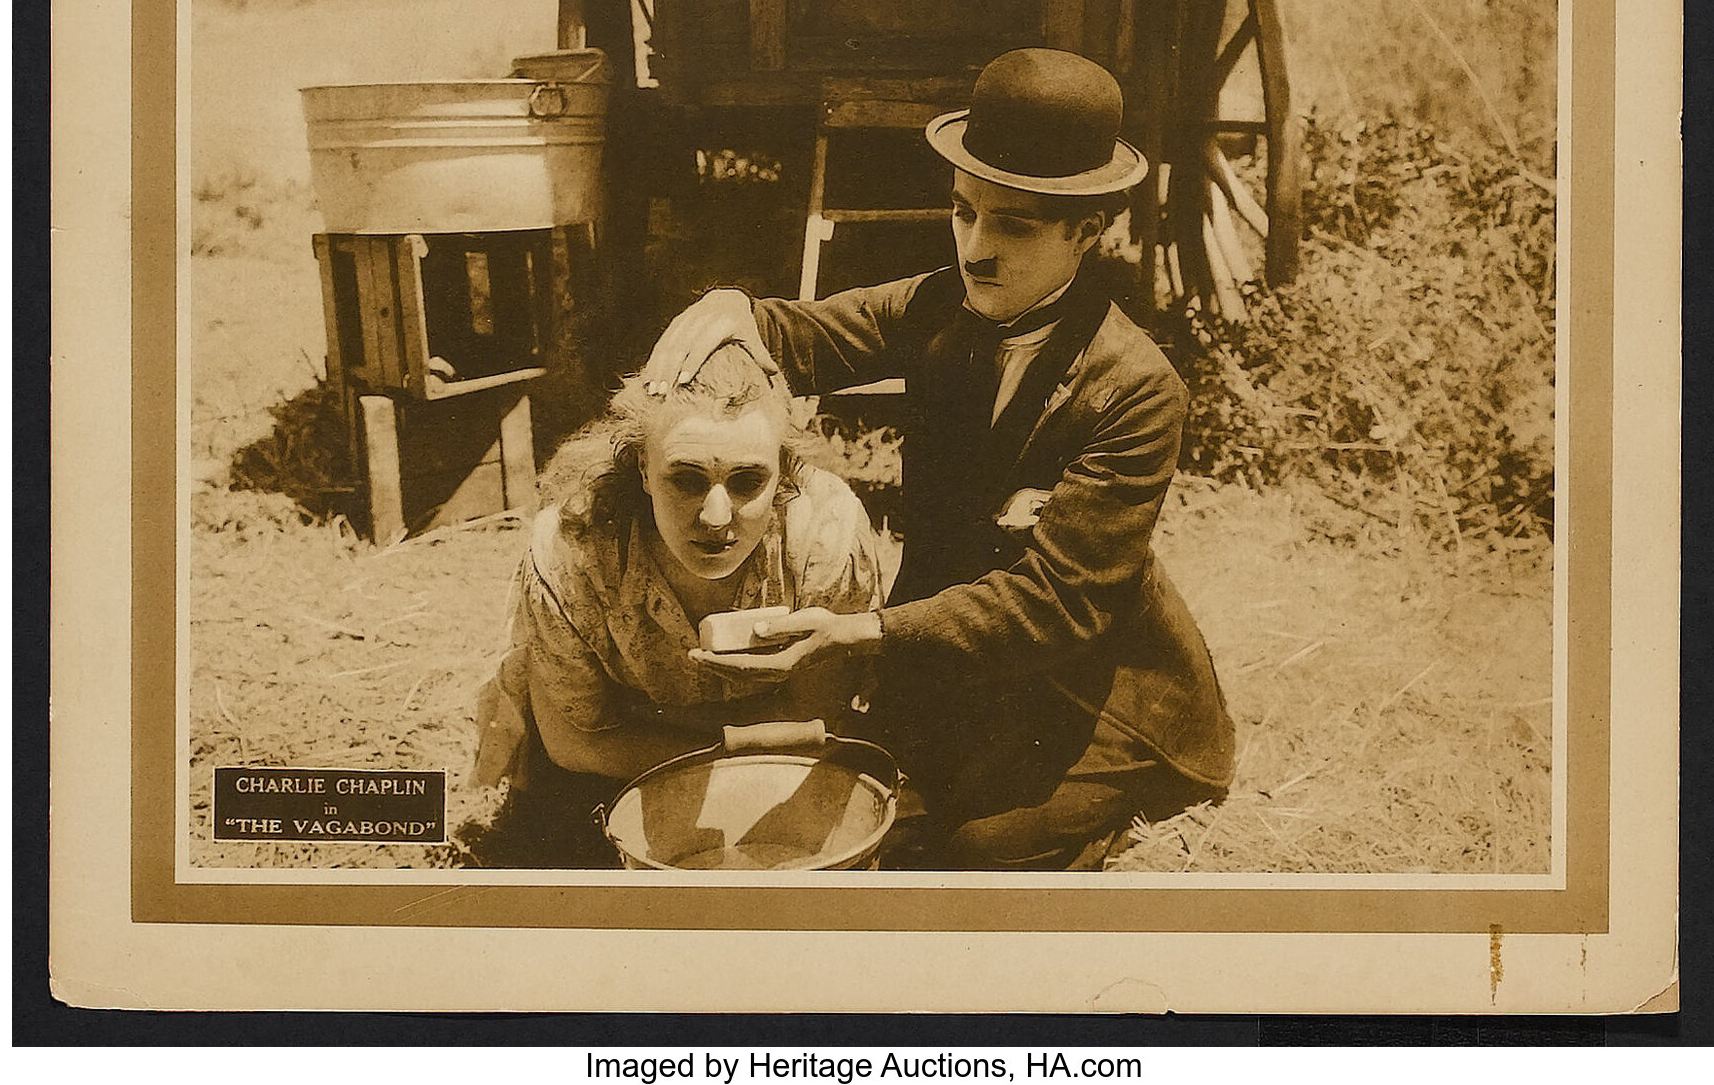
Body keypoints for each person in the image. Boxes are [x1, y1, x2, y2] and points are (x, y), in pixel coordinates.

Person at [645, 48, 1236, 870]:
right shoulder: (936, 308)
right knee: (862, 799)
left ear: (1088, 231)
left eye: (1014, 225)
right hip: (959, 670)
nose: (976, 248)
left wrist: (857, 632)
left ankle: (1116, 814)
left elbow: (1057, 605)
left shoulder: (1135, 389)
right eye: (963, 212)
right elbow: (799, 333)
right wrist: (728, 305)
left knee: (972, 851)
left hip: (1091, 690)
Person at [465, 340, 882, 867]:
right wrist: (734, 746)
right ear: (642, 467)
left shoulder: (826, 535)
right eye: (685, 479)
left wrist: (697, 746)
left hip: (668, 739)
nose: (715, 516)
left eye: (748, 481)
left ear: (783, 471)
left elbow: (818, 710)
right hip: (611, 760)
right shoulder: (573, 546)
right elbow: (575, 741)